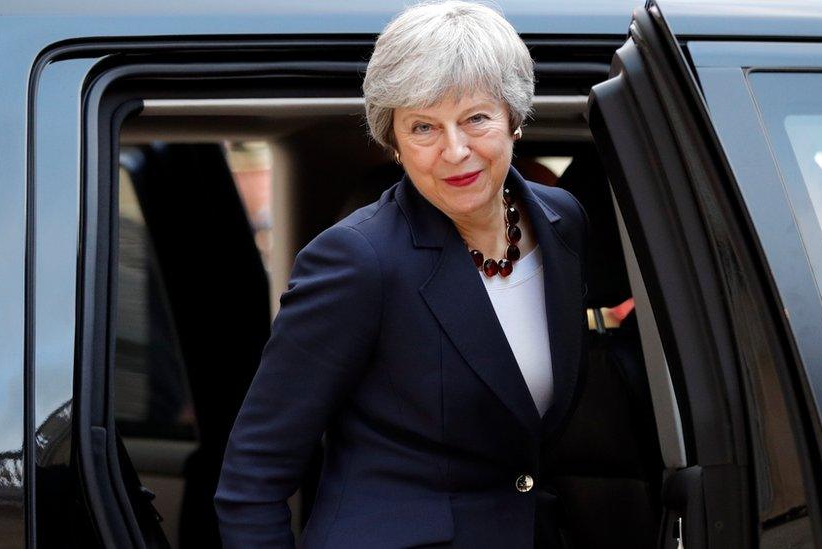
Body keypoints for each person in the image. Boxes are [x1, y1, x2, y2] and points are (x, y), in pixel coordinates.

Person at [213, 1, 590, 547]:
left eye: (476, 118)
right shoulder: (357, 261)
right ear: (394, 143)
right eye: (423, 127)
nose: (455, 150)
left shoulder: (562, 224)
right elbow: (252, 478)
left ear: (514, 118)